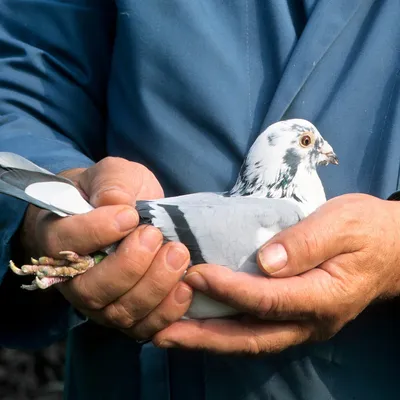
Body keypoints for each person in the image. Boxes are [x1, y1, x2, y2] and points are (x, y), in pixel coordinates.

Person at [1, 0, 400, 398]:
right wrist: (50, 219)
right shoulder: (283, 214)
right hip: (141, 373)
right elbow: (26, 76)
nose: (323, 150)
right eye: (308, 142)